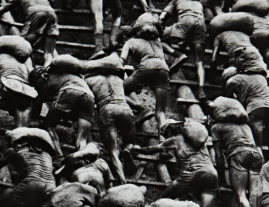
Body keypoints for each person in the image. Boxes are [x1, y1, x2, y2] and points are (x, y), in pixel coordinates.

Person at [135, 119, 218, 207]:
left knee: (165, 198)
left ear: (169, 131)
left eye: (165, 134)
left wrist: (137, 150)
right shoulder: (196, 137)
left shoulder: (174, 139)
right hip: (212, 173)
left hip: (194, 172)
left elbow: (151, 150)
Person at [0, 128, 56, 207]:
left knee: (4, 204)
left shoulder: (15, 149)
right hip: (51, 186)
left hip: (32, 183)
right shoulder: (47, 154)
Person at [209, 99, 262, 207]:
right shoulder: (245, 126)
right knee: (254, 193)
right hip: (256, 155)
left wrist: (222, 179)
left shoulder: (217, 127)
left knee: (240, 194)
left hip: (239, 154)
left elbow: (219, 156)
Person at [85, 53, 136, 184]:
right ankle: (127, 149)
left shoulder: (90, 80)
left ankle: (123, 182)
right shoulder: (118, 78)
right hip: (124, 107)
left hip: (106, 109)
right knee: (130, 140)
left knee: (113, 151)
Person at [31, 59, 96, 155]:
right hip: (90, 97)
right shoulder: (69, 75)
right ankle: (82, 159)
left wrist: (33, 116)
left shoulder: (44, 78)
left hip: (70, 91)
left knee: (49, 126)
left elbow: (39, 101)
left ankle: (59, 156)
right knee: (82, 139)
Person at [120, 20, 171, 136]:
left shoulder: (130, 42)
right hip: (164, 69)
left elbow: (121, 61)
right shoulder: (157, 42)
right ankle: (162, 140)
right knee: (161, 111)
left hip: (147, 67)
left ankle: (141, 108)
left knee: (117, 90)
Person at [0, 0, 59, 67]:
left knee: (23, 43)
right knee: (49, 52)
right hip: (52, 14)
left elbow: (0, 10)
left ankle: (26, 67)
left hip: (35, 13)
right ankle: (46, 72)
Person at [160, 0, 207, 96]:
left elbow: (163, 16)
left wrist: (161, 25)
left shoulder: (176, 0)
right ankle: (201, 89)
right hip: (201, 24)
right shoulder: (198, 4)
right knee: (199, 60)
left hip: (185, 21)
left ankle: (178, 55)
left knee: (157, 39)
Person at [0, 36, 37, 127]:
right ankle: (22, 134)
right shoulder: (24, 61)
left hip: (6, 88)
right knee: (23, 106)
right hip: (27, 91)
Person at [223, 65, 269, 147]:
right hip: (266, 103)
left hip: (256, 107)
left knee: (257, 142)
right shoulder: (258, 77)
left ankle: (259, 153)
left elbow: (230, 102)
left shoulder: (233, 81)